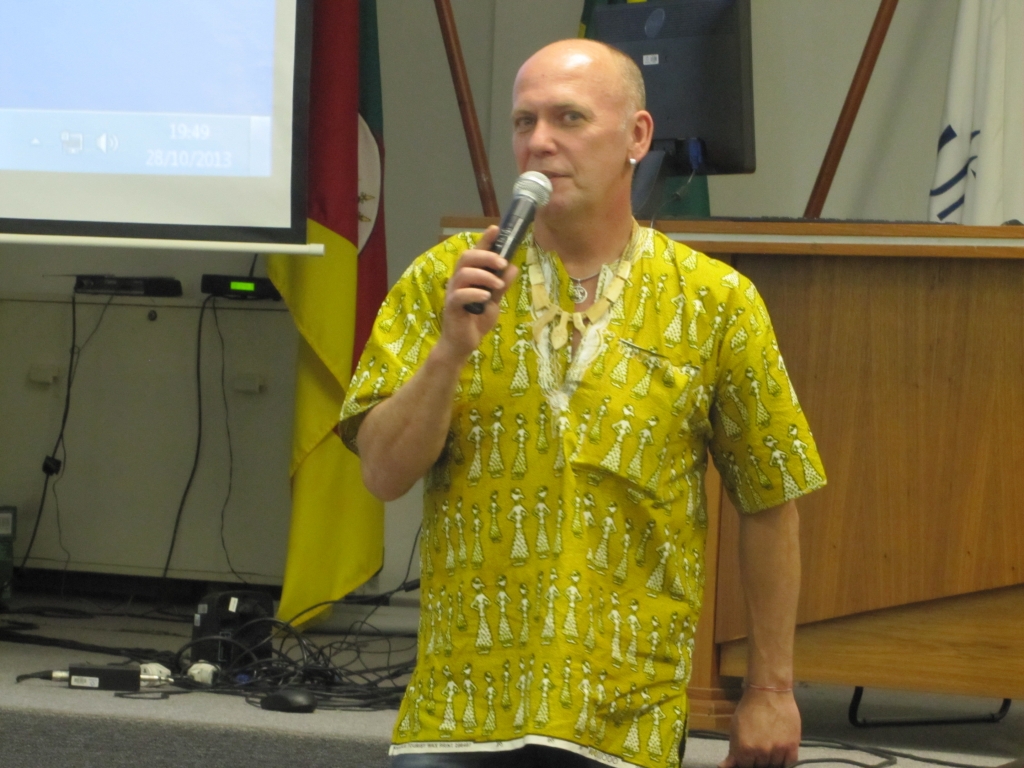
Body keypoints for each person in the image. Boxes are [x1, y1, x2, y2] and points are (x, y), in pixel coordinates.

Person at [340, 39, 825, 768]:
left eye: (568, 118)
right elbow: (382, 475)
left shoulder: (715, 301)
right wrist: (449, 352)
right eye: (524, 121)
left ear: (637, 136)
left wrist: (771, 688)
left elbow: (771, 498)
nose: (540, 142)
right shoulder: (446, 280)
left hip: (623, 715)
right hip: (462, 709)